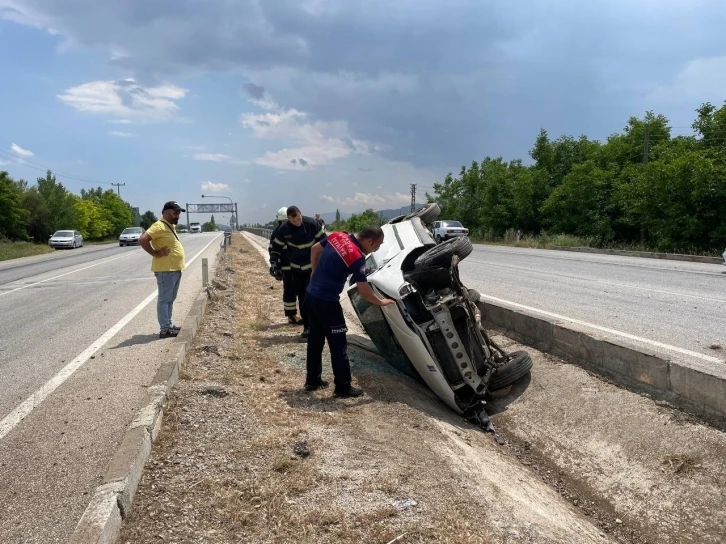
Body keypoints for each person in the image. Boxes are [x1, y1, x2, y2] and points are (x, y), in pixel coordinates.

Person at [304, 225, 395, 397]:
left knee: (315, 341)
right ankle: (343, 387)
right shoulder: (356, 257)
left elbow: (315, 249)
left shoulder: (337, 236)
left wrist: (314, 272)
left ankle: (312, 381)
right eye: (377, 245)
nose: (378, 248)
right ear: (369, 241)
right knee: (338, 345)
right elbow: (364, 291)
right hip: (328, 303)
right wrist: (381, 302)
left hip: (311, 295)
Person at [272, 206, 327, 339]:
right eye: (294, 221)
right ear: (288, 219)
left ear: (301, 214)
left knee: (311, 297)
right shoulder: (284, 229)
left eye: (299, 219)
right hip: (296, 269)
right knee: (302, 298)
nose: (297, 223)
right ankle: (307, 327)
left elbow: (325, 242)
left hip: (313, 268)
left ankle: (318, 325)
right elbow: (275, 247)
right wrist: (274, 263)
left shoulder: (311, 224)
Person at [138, 201, 186, 339]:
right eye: (175, 212)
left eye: (179, 213)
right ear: (165, 212)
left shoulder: (169, 226)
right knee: (165, 299)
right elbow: (142, 239)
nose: (178, 215)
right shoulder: (159, 226)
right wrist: (155, 253)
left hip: (173, 269)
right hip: (166, 270)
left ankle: (168, 325)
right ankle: (165, 330)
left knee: (170, 299)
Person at [268, 206, 303, 324]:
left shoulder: (291, 230)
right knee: (290, 291)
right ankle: (291, 315)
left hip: (295, 266)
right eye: (282, 221)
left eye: (285, 221)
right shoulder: (278, 232)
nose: (284, 223)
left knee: (298, 290)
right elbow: (273, 250)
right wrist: (275, 266)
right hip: (286, 267)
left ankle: (295, 314)